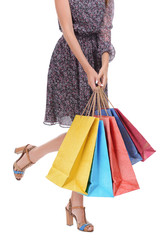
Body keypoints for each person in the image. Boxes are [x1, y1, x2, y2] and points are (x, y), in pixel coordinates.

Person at [13, 0, 116, 232]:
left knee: (90, 134)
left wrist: (104, 66)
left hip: (96, 64)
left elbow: (105, 33)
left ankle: (32, 155)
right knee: (85, 134)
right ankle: (76, 206)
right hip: (70, 61)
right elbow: (68, 31)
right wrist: (88, 68)